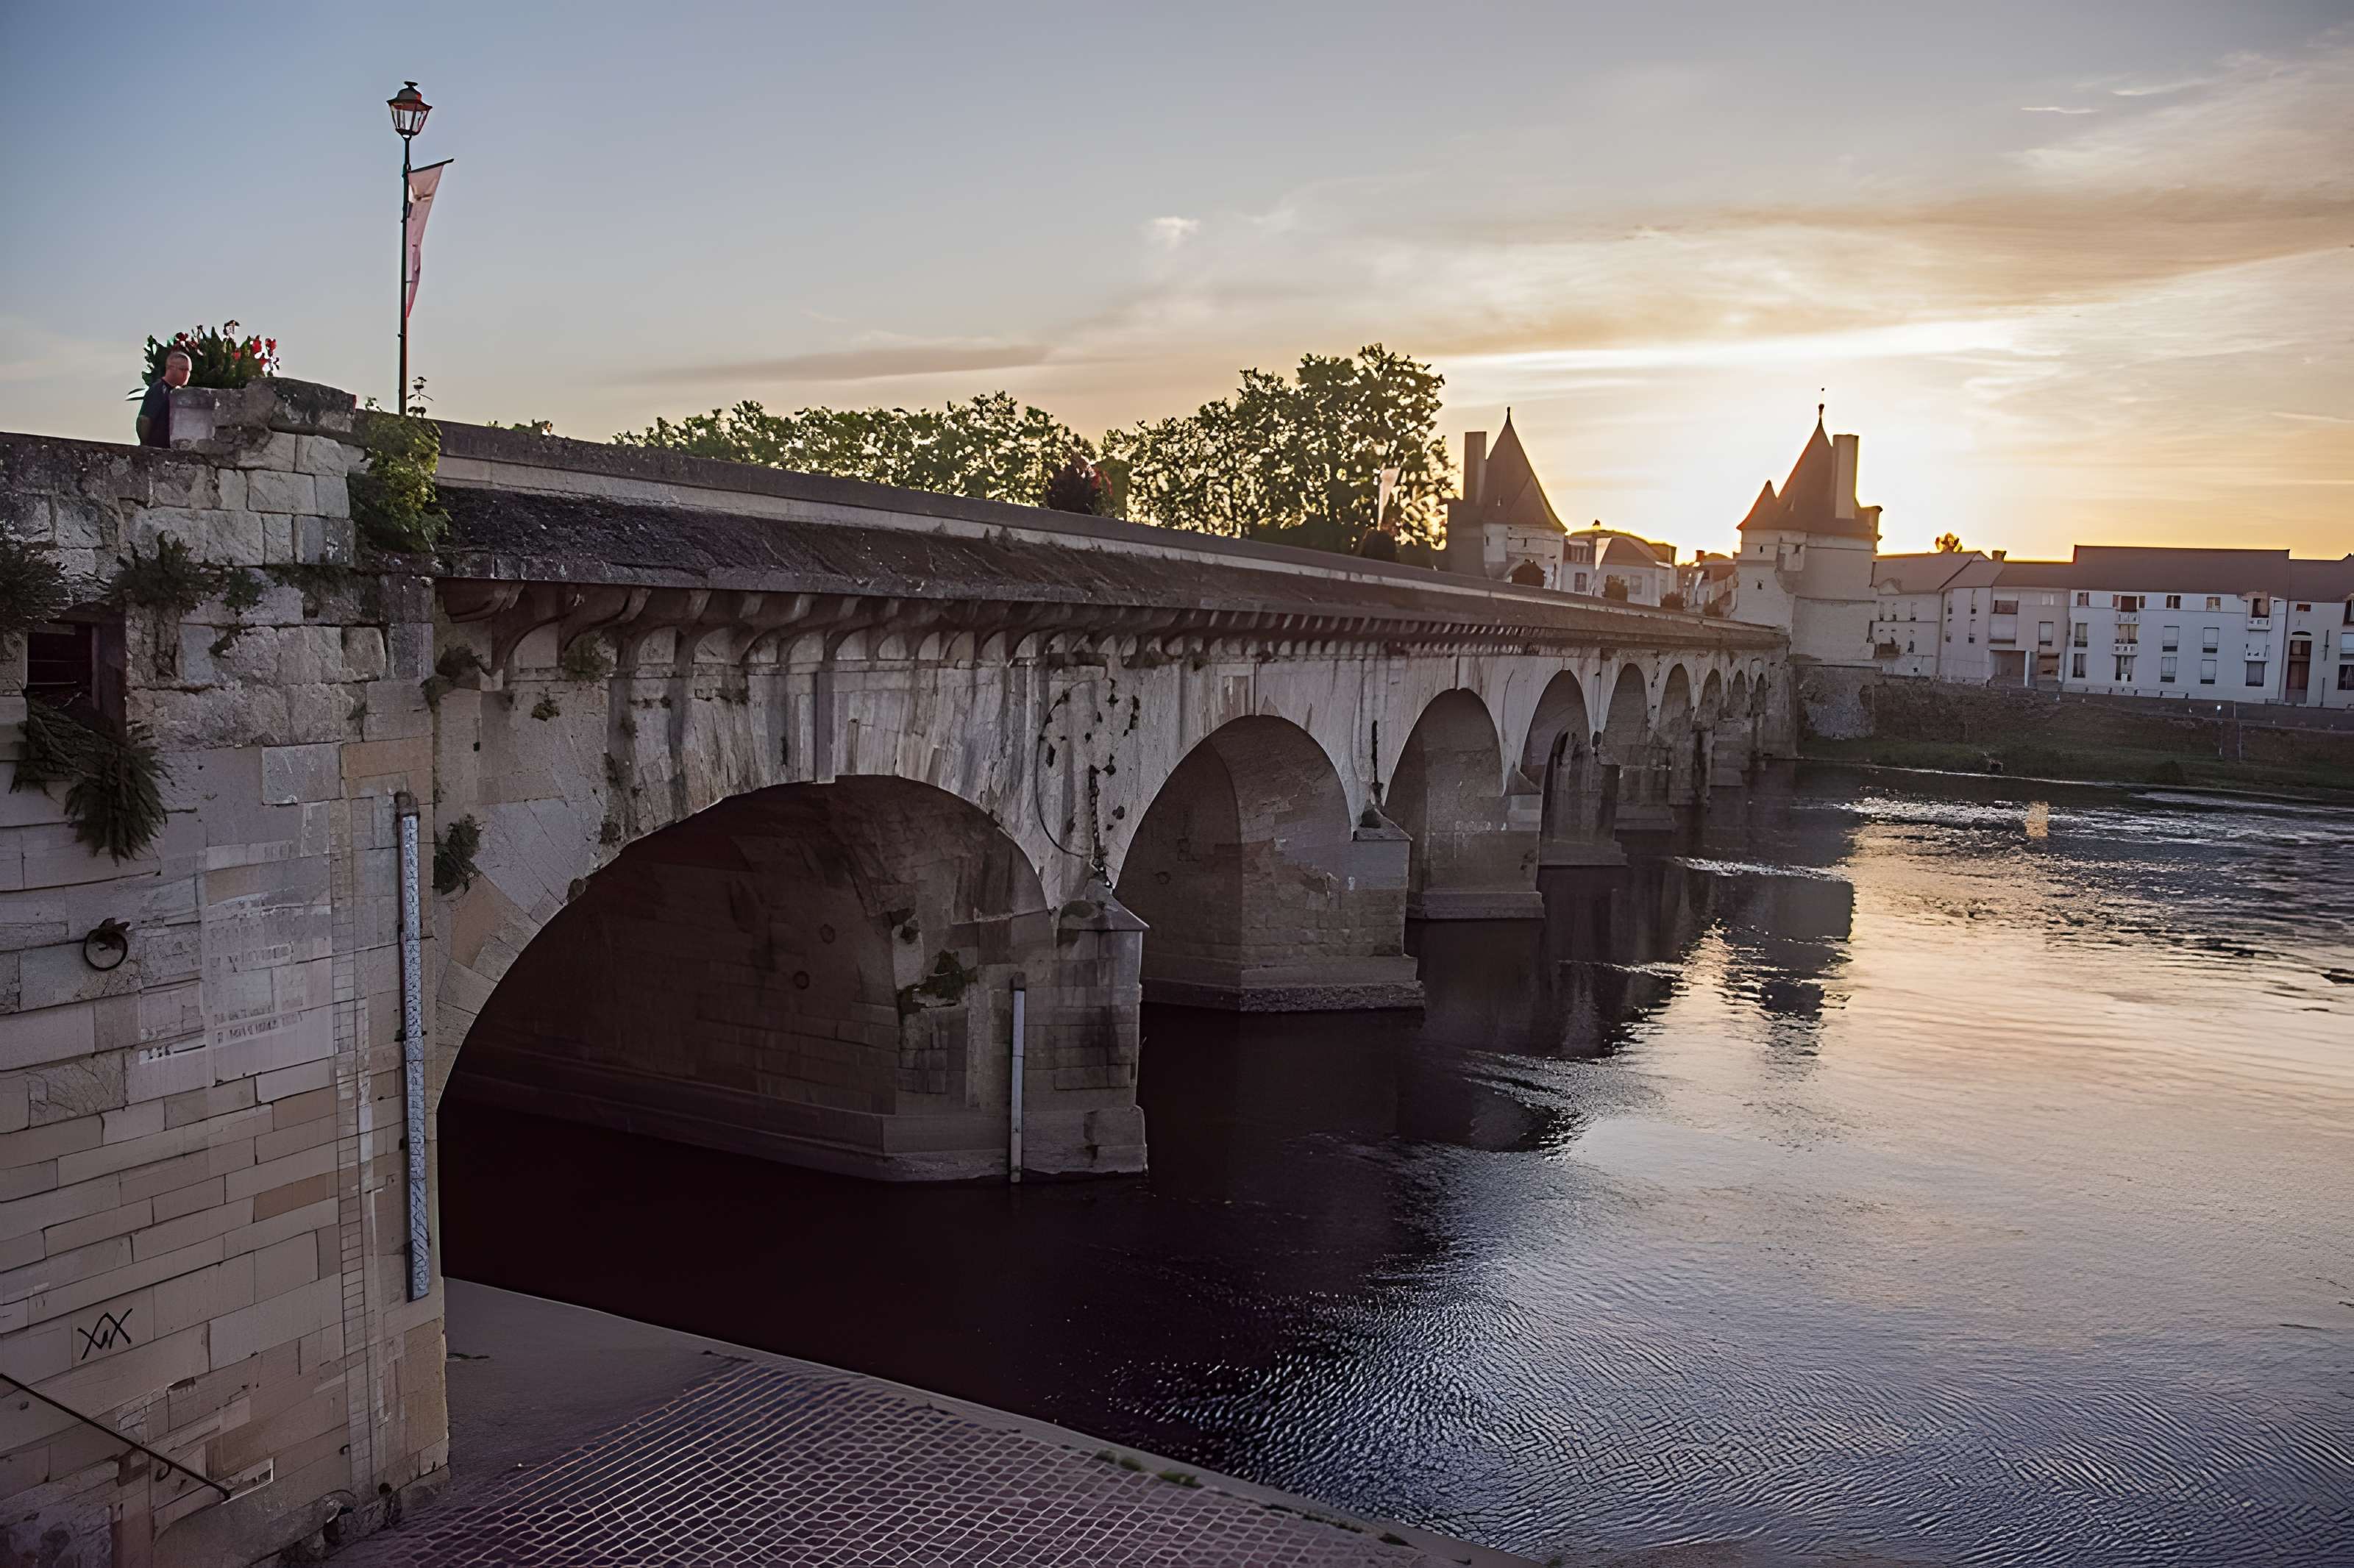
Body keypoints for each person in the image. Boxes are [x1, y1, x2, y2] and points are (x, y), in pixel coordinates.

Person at [136, 348, 192, 447]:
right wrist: (145, 446)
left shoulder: (176, 393)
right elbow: (144, 420)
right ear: (170, 368)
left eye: (189, 371)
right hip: (157, 451)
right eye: (183, 369)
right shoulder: (159, 390)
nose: (187, 374)